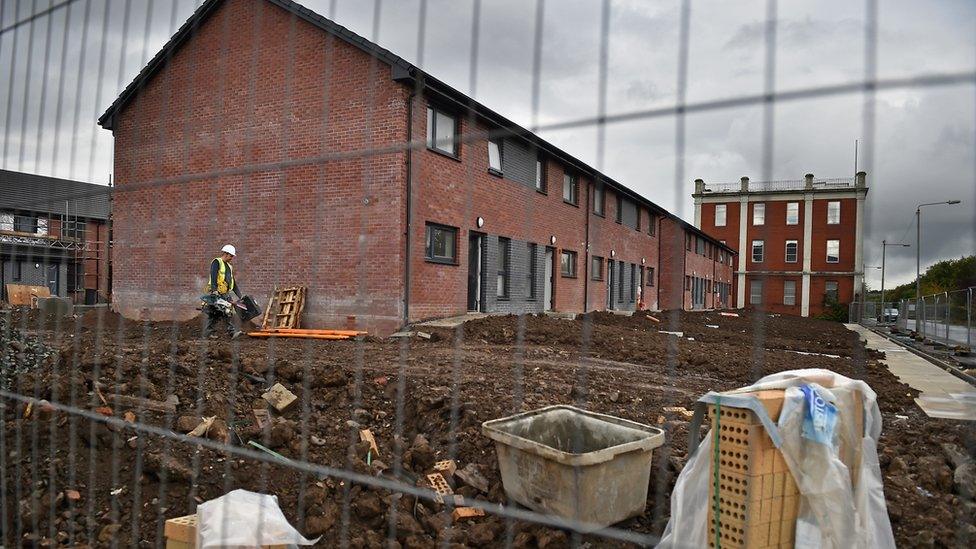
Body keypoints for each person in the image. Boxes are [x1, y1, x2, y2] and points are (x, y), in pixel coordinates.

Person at [204, 244, 243, 338]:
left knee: (215, 313)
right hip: (217, 293)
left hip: (225, 294)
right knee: (226, 311)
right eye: (231, 256)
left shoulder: (229, 267)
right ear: (226, 253)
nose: (232, 258)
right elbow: (213, 275)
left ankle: (208, 333)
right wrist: (214, 290)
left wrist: (240, 296)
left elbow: (233, 283)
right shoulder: (217, 262)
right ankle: (232, 332)